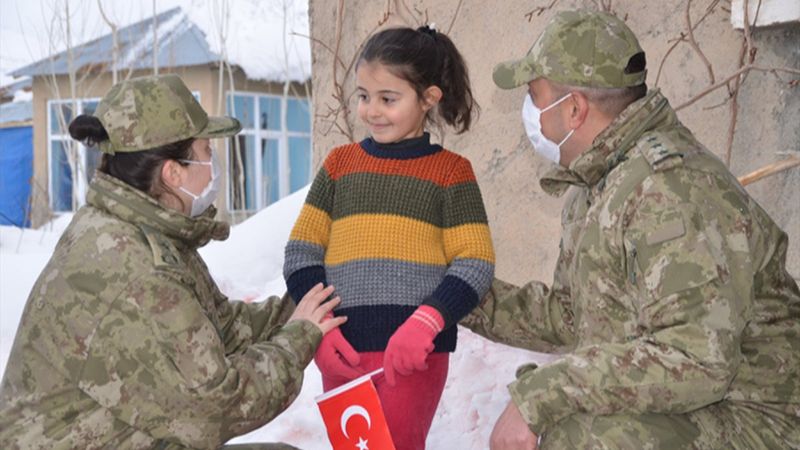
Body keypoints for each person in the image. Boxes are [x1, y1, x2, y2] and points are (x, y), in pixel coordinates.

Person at [460, 9, 800, 450]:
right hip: (704, 404)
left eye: (534, 95)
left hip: (760, 418)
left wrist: (543, 393)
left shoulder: (668, 189)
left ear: (575, 109)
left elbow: (698, 359)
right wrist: (463, 297)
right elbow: (572, 316)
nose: (530, 111)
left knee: (581, 439)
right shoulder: (602, 180)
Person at [0, 74, 346, 450]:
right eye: (206, 152)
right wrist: (299, 338)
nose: (213, 165)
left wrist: (299, 308)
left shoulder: (137, 227)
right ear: (173, 172)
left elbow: (217, 330)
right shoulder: (134, 268)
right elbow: (218, 406)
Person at [283, 25, 495, 449]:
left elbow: (475, 261)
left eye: (388, 99)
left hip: (413, 356)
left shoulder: (451, 173)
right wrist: (320, 330)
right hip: (340, 352)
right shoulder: (340, 166)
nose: (371, 111)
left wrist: (427, 323)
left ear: (429, 98)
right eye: (363, 96)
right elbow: (301, 252)